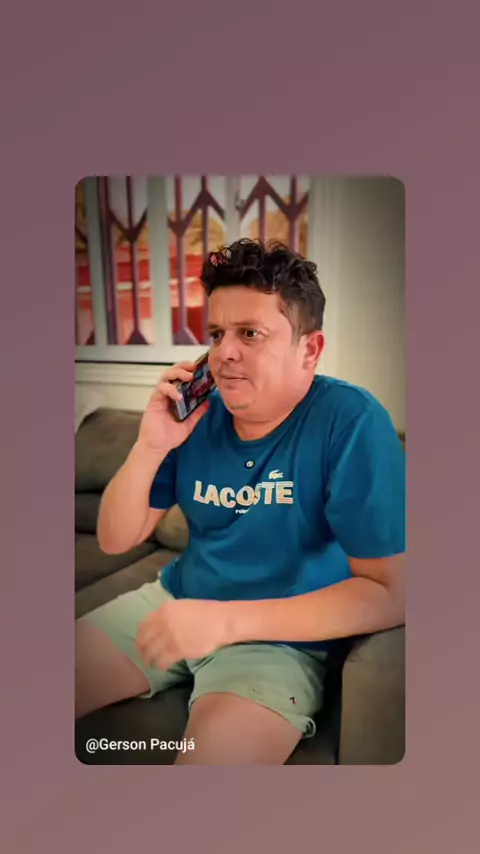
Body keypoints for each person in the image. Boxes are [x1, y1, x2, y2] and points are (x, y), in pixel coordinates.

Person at [75, 238, 406, 765]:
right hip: (175, 601)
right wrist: (150, 445)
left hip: (282, 638)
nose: (224, 352)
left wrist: (224, 623)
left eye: (250, 333)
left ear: (309, 350)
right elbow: (116, 539)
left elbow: (391, 594)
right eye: (216, 333)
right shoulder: (197, 415)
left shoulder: (351, 422)